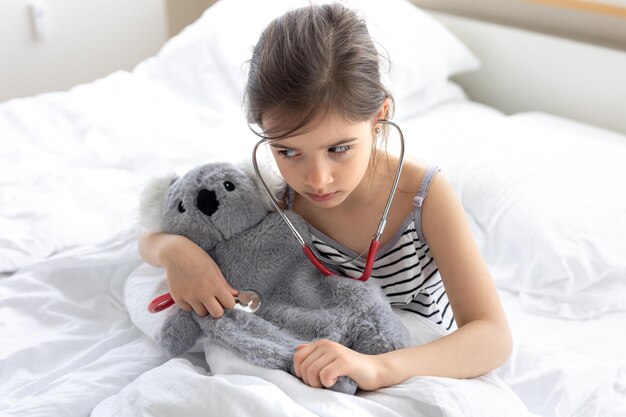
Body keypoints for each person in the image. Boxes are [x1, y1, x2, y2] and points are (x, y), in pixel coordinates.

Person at [139, 3, 512, 392]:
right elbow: (152, 236)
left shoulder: (423, 197)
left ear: (378, 118)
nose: (316, 180)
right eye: (287, 152)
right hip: (310, 361)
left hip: (407, 362)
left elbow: (492, 336)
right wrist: (177, 253)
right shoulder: (269, 190)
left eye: (339, 149)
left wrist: (378, 368)